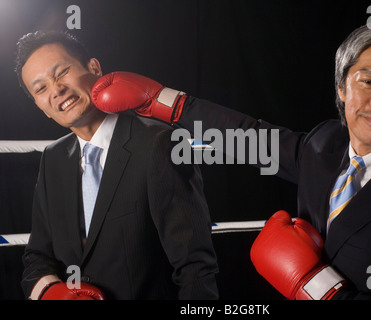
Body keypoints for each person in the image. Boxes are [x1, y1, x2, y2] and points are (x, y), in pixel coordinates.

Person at [92, 22, 371, 299]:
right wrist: (163, 101)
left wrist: (312, 283)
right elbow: (251, 138)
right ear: (341, 89)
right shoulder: (327, 142)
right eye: (368, 81)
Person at [15, 30, 219, 300]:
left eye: (61, 72)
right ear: (40, 106)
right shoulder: (52, 158)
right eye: (41, 88)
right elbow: (38, 254)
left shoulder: (158, 143)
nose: (56, 90)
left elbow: (194, 267)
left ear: (94, 68)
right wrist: (50, 291)